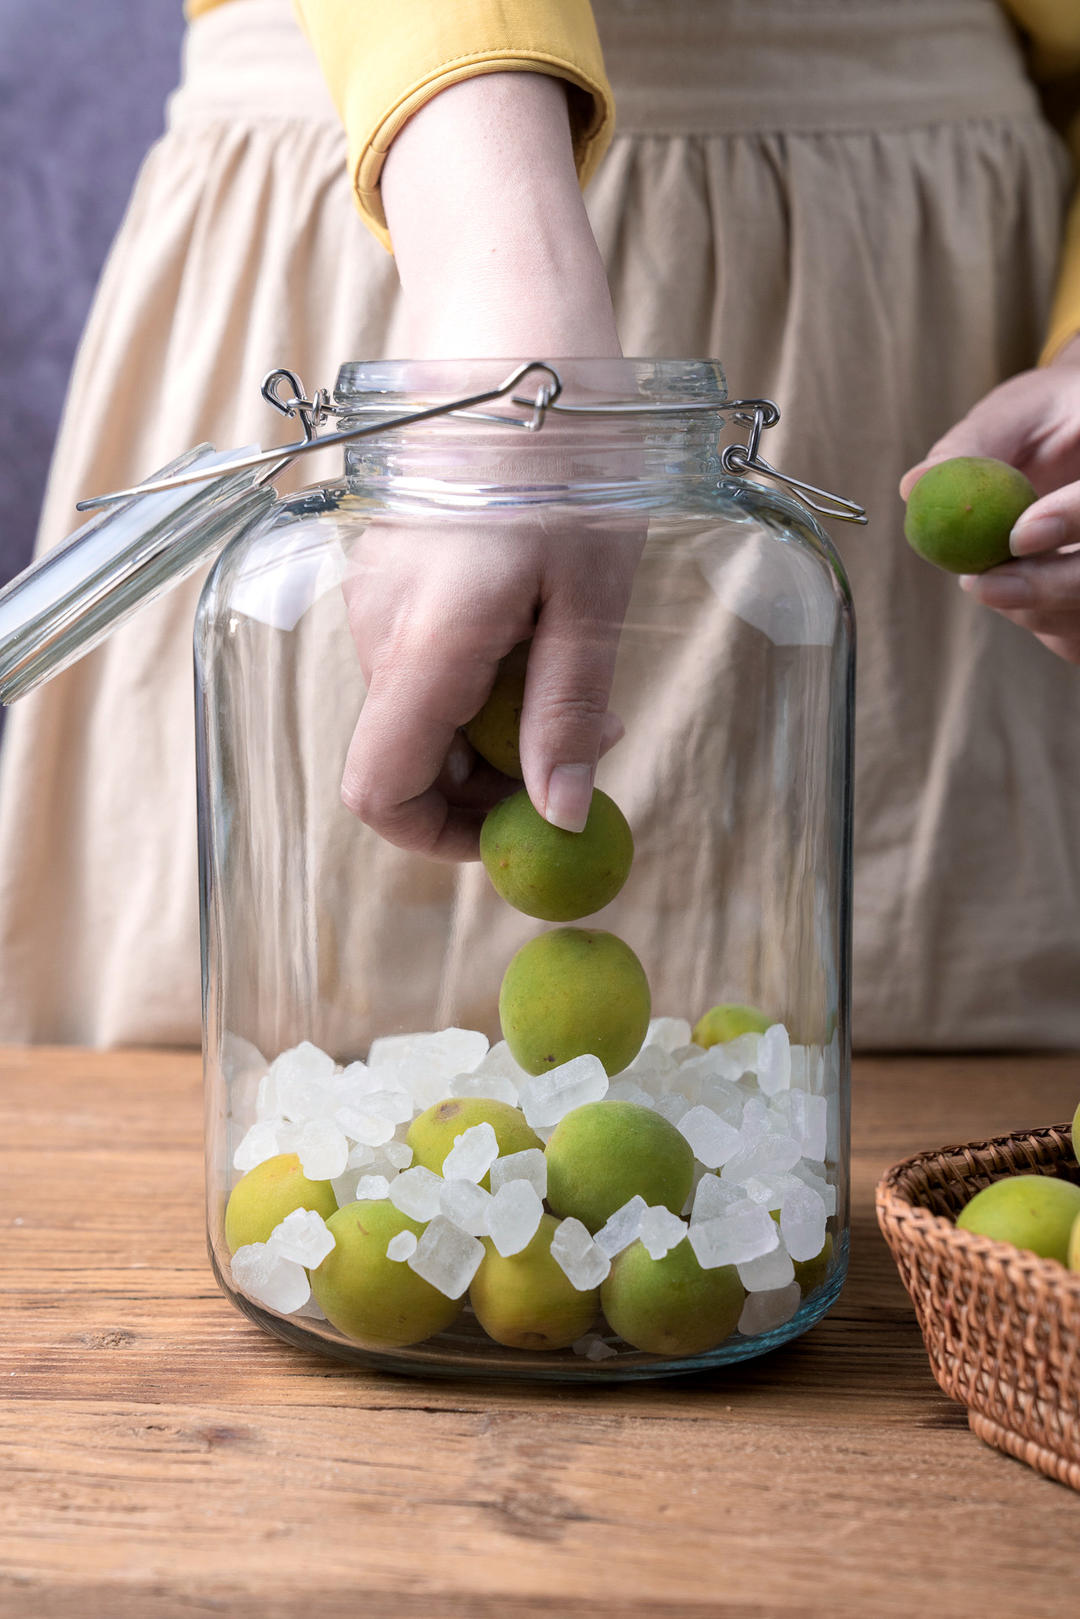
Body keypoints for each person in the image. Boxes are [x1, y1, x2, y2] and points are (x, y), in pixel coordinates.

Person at [0, 0, 1077, 1049]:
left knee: (908, 1106)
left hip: (934, 289)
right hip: (398, 199)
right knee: (240, 1073)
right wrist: (491, 294)